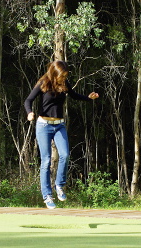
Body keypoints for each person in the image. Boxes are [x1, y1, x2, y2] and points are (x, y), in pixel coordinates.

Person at [24, 60, 99, 209]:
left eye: (65, 75)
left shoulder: (64, 84)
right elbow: (28, 100)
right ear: (54, 73)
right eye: (61, 75)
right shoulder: (43, 83)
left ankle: (59, 185)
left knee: (65, 154)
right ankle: (47, 195)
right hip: (43, 125)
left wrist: (88, 98)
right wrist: (29, 113)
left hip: (59, 125)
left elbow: (74, 95)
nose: (63, 78)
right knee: (46, 161)